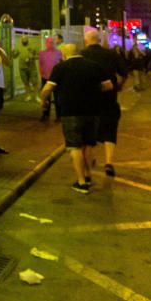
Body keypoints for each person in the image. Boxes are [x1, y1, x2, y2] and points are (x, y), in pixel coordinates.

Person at [40, 43, 113, 194]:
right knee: (89, 144)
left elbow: (47, 89)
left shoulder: (60, 68)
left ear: (64, 55)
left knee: (75, 147)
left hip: (70, 112)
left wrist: (44, 101)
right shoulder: (94, 66)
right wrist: (94, 90)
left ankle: (81, 182)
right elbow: (108, 86)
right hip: (92, 111)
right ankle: (88, 176)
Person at [82, 27, 128, 177]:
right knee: (110, 130)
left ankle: (92, 158)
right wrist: (119, 86)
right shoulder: (111, 55)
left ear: (86, 41)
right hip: (109, 98)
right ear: (99, 40)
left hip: (89, 99)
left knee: (90, 132)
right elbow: (123, 73)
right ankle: (109, 162)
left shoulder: (82, 55)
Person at [38, 36, 62, 122]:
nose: (50, 44)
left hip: (56, 79)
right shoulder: (41, 53)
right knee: (46, 97)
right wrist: (42, 74)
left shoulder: (59, 53)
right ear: (46, 43)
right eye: (49, 42)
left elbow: (61, 64)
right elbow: (40, 65)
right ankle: (45, 114)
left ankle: (59, 115)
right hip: (45, 78)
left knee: (57, 98)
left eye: (52, 42)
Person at [16, 35, 39, 100]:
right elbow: (15, 56)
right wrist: (13, 52)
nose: (24, 40)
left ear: (28, 39)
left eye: (25, 39)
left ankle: (36, 96)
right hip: (22, 68)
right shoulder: (18, 47)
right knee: (26, 82)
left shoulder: (33, 46)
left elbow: (38, 56)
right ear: (21, 40)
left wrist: (33, 57)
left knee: (35, 82)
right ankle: (28, 95)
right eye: (23, 39)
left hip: (32, 67)